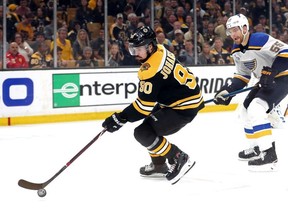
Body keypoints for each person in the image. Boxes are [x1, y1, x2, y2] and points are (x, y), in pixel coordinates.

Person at [102, 26, 204, 184]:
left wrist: (119, 118)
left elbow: (143, 107)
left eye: (138, 50)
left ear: (150, 47)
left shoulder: (150, 69)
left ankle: (178, 157)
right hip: (182, 100)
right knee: (149, 128)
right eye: (133, 50)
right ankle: (159, 165)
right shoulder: (161, 50)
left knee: (143, 133)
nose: (136, 54)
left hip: (182, 107)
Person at [213, 14, 288, 171]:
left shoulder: (259, 39)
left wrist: (272, 71)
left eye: (235, 30)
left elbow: (286, 53)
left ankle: (269, 154)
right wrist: (228, 92)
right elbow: (242, 76)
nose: (232, 34)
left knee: (256, 109)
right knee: (245, 110)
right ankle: (256, 148)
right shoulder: (236, 50)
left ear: (245, 28)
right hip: (265, 80)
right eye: (230, 31)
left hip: (283, 77)